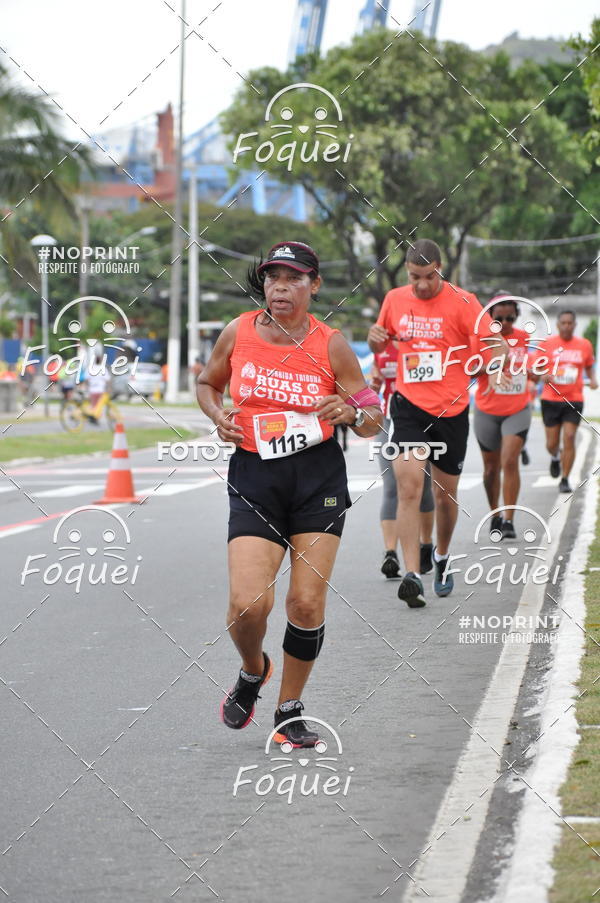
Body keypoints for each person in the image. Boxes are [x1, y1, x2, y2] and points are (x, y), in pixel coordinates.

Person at [196, 241, 382, 747]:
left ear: (314, 285)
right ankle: (253, 670)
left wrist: (351, 414)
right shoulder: (238, 331)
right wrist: (219, 417)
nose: (280, 285)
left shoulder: (331, 344)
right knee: (247, 606)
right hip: (256, 474)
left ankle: (289, 709)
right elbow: (208, 383)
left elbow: (372, 416)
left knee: (304, 603)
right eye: (273, 276)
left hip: (317, 478)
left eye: (293, 277)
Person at [368, 238, 507, 608]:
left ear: (440, 270)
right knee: (409, 485)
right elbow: (381, 345)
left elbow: (497, 343)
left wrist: (494, 362)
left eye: (428, 277)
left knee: (445, 497)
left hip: (451, 411)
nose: (421, 285)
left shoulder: (465, 302)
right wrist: (375, 340)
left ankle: (442, 557)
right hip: (408, 406)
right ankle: (413, 574)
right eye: (414, 277)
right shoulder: (395, 300)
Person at [369, 344, 435, 578]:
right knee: (390, 487)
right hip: (388, 421)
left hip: (417, 424)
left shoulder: (422, 344)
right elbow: (374, 381)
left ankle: (426, 544)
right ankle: (390, 553)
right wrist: (372, 386)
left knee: (423, 488)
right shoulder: (381, 349)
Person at [473, 294, 534, 540]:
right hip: (487, 410)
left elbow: (533, 366)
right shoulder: (480, 338)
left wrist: (535, 371)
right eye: (500, 318)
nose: (506, 322)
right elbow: (470, 368)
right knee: (490, 469)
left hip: (517, 408)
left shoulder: (524, 338)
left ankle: (509, 519)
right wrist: (493, 368)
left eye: (510, 317)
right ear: (490, 316)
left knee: (509, 460)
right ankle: (495, 514)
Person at [538, 310, 597, 493]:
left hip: (573, 399)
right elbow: (536, 369)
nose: (566, 326)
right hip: (551, 399)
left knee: (570, 437)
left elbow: (589, 366)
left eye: (570, 323)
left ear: (575, 325)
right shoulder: (547, 344)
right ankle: (555, 456)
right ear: (557, 325)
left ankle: (565, 479)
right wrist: (543, 375)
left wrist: (593, 379)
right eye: (563, 323)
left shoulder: (584, 345)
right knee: (551, 443)